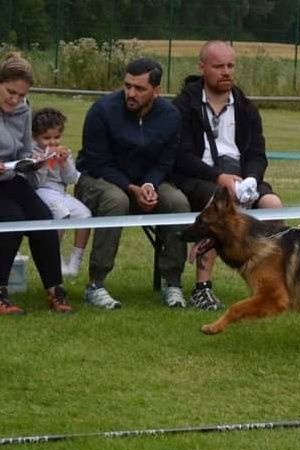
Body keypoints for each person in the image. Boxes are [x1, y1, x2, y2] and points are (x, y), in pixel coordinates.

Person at [172, 40, 283, 311]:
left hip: (242, 178)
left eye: (230, 65)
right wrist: (219, 178)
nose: (226, 72)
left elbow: (257, 154)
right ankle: (202, 288)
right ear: (201, 67)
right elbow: (181, 155)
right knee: (218, 206)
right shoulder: (183, 106)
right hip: (199, 177)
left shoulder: (246, 107)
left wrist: (252, 180)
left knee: (273, 205)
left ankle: (273, 282)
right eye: (218, 66)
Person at [76, 57, 190, 310]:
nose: (131, 93)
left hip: (145, 181)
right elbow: (98, 162)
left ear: (156, 91)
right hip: (98, 180)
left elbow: (166, 162)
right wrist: (131, 188)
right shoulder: (102, 111)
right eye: (127, 86)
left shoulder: (171, 116)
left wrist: (149, 185)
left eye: (139, 88)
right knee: (115, 200)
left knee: (178, 202)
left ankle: (173, 283)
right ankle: (96, 284)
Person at [0, 53, 73, 315]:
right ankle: (0, 293)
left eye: (21, 95)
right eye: (10, 92)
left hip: (10, 177)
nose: (15, 99)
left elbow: (22, 150)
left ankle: (55, 290)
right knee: (11, 219)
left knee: (43, 217)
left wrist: (36, 161)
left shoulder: (23, 109)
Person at [30, 107, 90, 278]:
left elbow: (71, 179)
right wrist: (42, 163)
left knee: (85, 215)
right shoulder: (33, 153)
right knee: (61, 213)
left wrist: (64, 163)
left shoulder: (64, 152)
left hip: (60, 192)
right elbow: (36, 182)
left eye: (56, 137)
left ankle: (76, 259)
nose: (53, 142)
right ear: (35, 137)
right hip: (41, 191)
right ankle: (55, 258)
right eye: (46, 138)